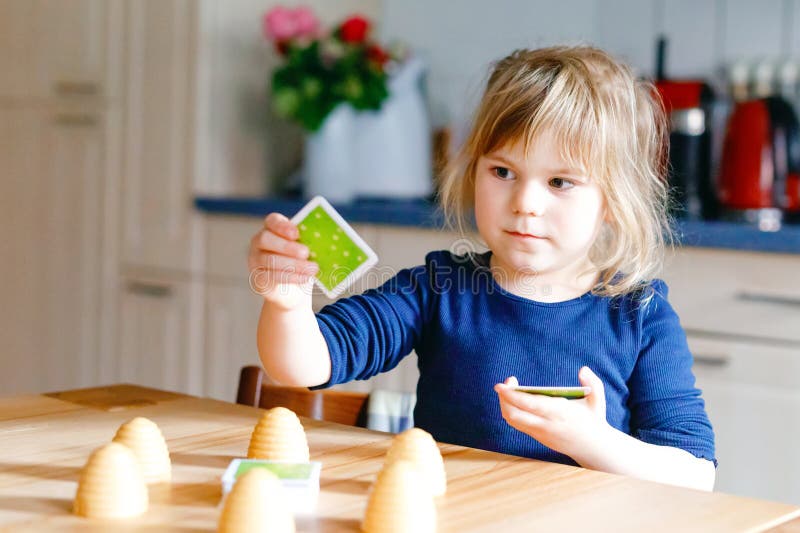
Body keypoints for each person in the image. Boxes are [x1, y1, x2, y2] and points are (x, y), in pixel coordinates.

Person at [247, 46, 716, 491]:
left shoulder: (640, 313)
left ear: (613, 200)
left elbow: (695, 476)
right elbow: (302, 365)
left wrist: (590, 441)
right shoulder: (438, 288)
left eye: (560, 181)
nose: (525, 203)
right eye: (503, 172)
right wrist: (286, 303)